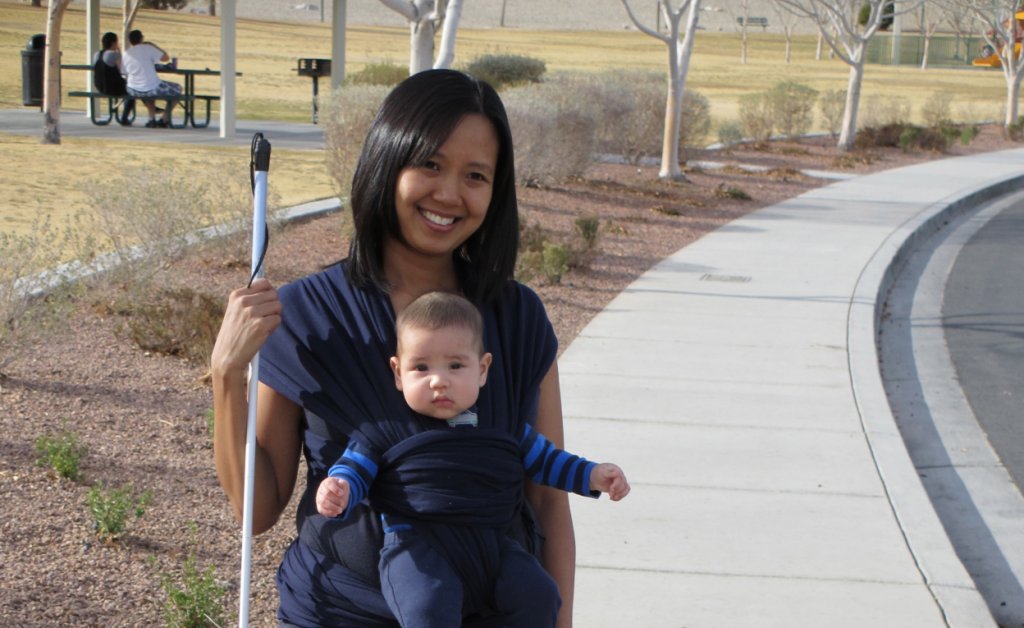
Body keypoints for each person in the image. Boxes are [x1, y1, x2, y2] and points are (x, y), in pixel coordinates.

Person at [211, 69, 587, 627]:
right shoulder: (308, 318)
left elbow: (549, 502)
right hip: (337, 611)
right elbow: (258, 510)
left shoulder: (517, 317)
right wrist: (225, 373)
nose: (449, 193)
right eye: (430, 164)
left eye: (476, 175)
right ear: (388, 159)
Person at [315, 291, 630, 627]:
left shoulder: (503, 427)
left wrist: (593, 475)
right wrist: (340, 488)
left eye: (455, 365)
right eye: (421, 367)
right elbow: (355, 468)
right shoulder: (385, 428)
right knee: (426, 607)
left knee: (540, 595)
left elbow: (548, 462)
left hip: (492, 544)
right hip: (418, 545)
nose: (439, 380)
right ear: (397, 372)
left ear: (482, 370)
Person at [122, 29, 180, 128]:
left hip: (132, 89)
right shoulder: (148, 48)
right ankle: (164, 119)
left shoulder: (126, 53)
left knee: (149, 89)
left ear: (130, 41)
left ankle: (151, 119)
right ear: (141, 38)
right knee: (177, 89)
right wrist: (154, 46)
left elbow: (123, 72)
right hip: (151, 88)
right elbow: (165, 58)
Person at [92, 32, 134, 126]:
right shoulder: (113, 54)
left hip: (99, 86)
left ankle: (115, 108)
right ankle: (124, 118)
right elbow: (122, 70)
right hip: (112, 87)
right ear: (113, 43)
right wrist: (119, 53)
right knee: (133, 91)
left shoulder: (97, 54)